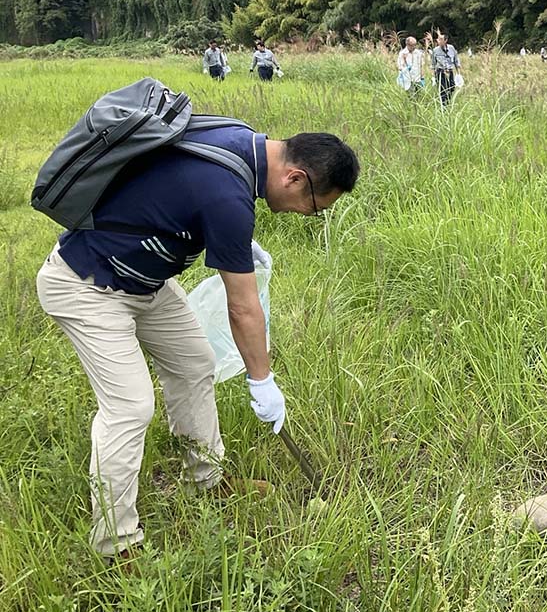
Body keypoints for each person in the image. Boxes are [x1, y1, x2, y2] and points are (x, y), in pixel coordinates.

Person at [36, 121, 359, 563]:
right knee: (130, 406)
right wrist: (262, 380)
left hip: (145, 281)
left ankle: (206, 478)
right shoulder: (227, 193)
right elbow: (242, 307)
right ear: (295, 178)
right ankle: (116, 544)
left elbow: (181, 190)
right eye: (315, 207)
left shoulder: (242, 143)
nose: (309, 215)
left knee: (194, 364)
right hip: (86, 283)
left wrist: (239, 238)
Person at [430, 32, 461, 106]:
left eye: (441, 39)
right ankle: (444, 106)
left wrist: (458, 74)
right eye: (438, 39)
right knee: (443, 90)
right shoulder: (435, 50)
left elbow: (456, 61)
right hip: (440, 72)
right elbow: (433, 64)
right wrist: (433, 76)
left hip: (450, 71)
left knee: (452, 88)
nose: (439, 41)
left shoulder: (451, 48)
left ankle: (448, 102)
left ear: (445, 40)